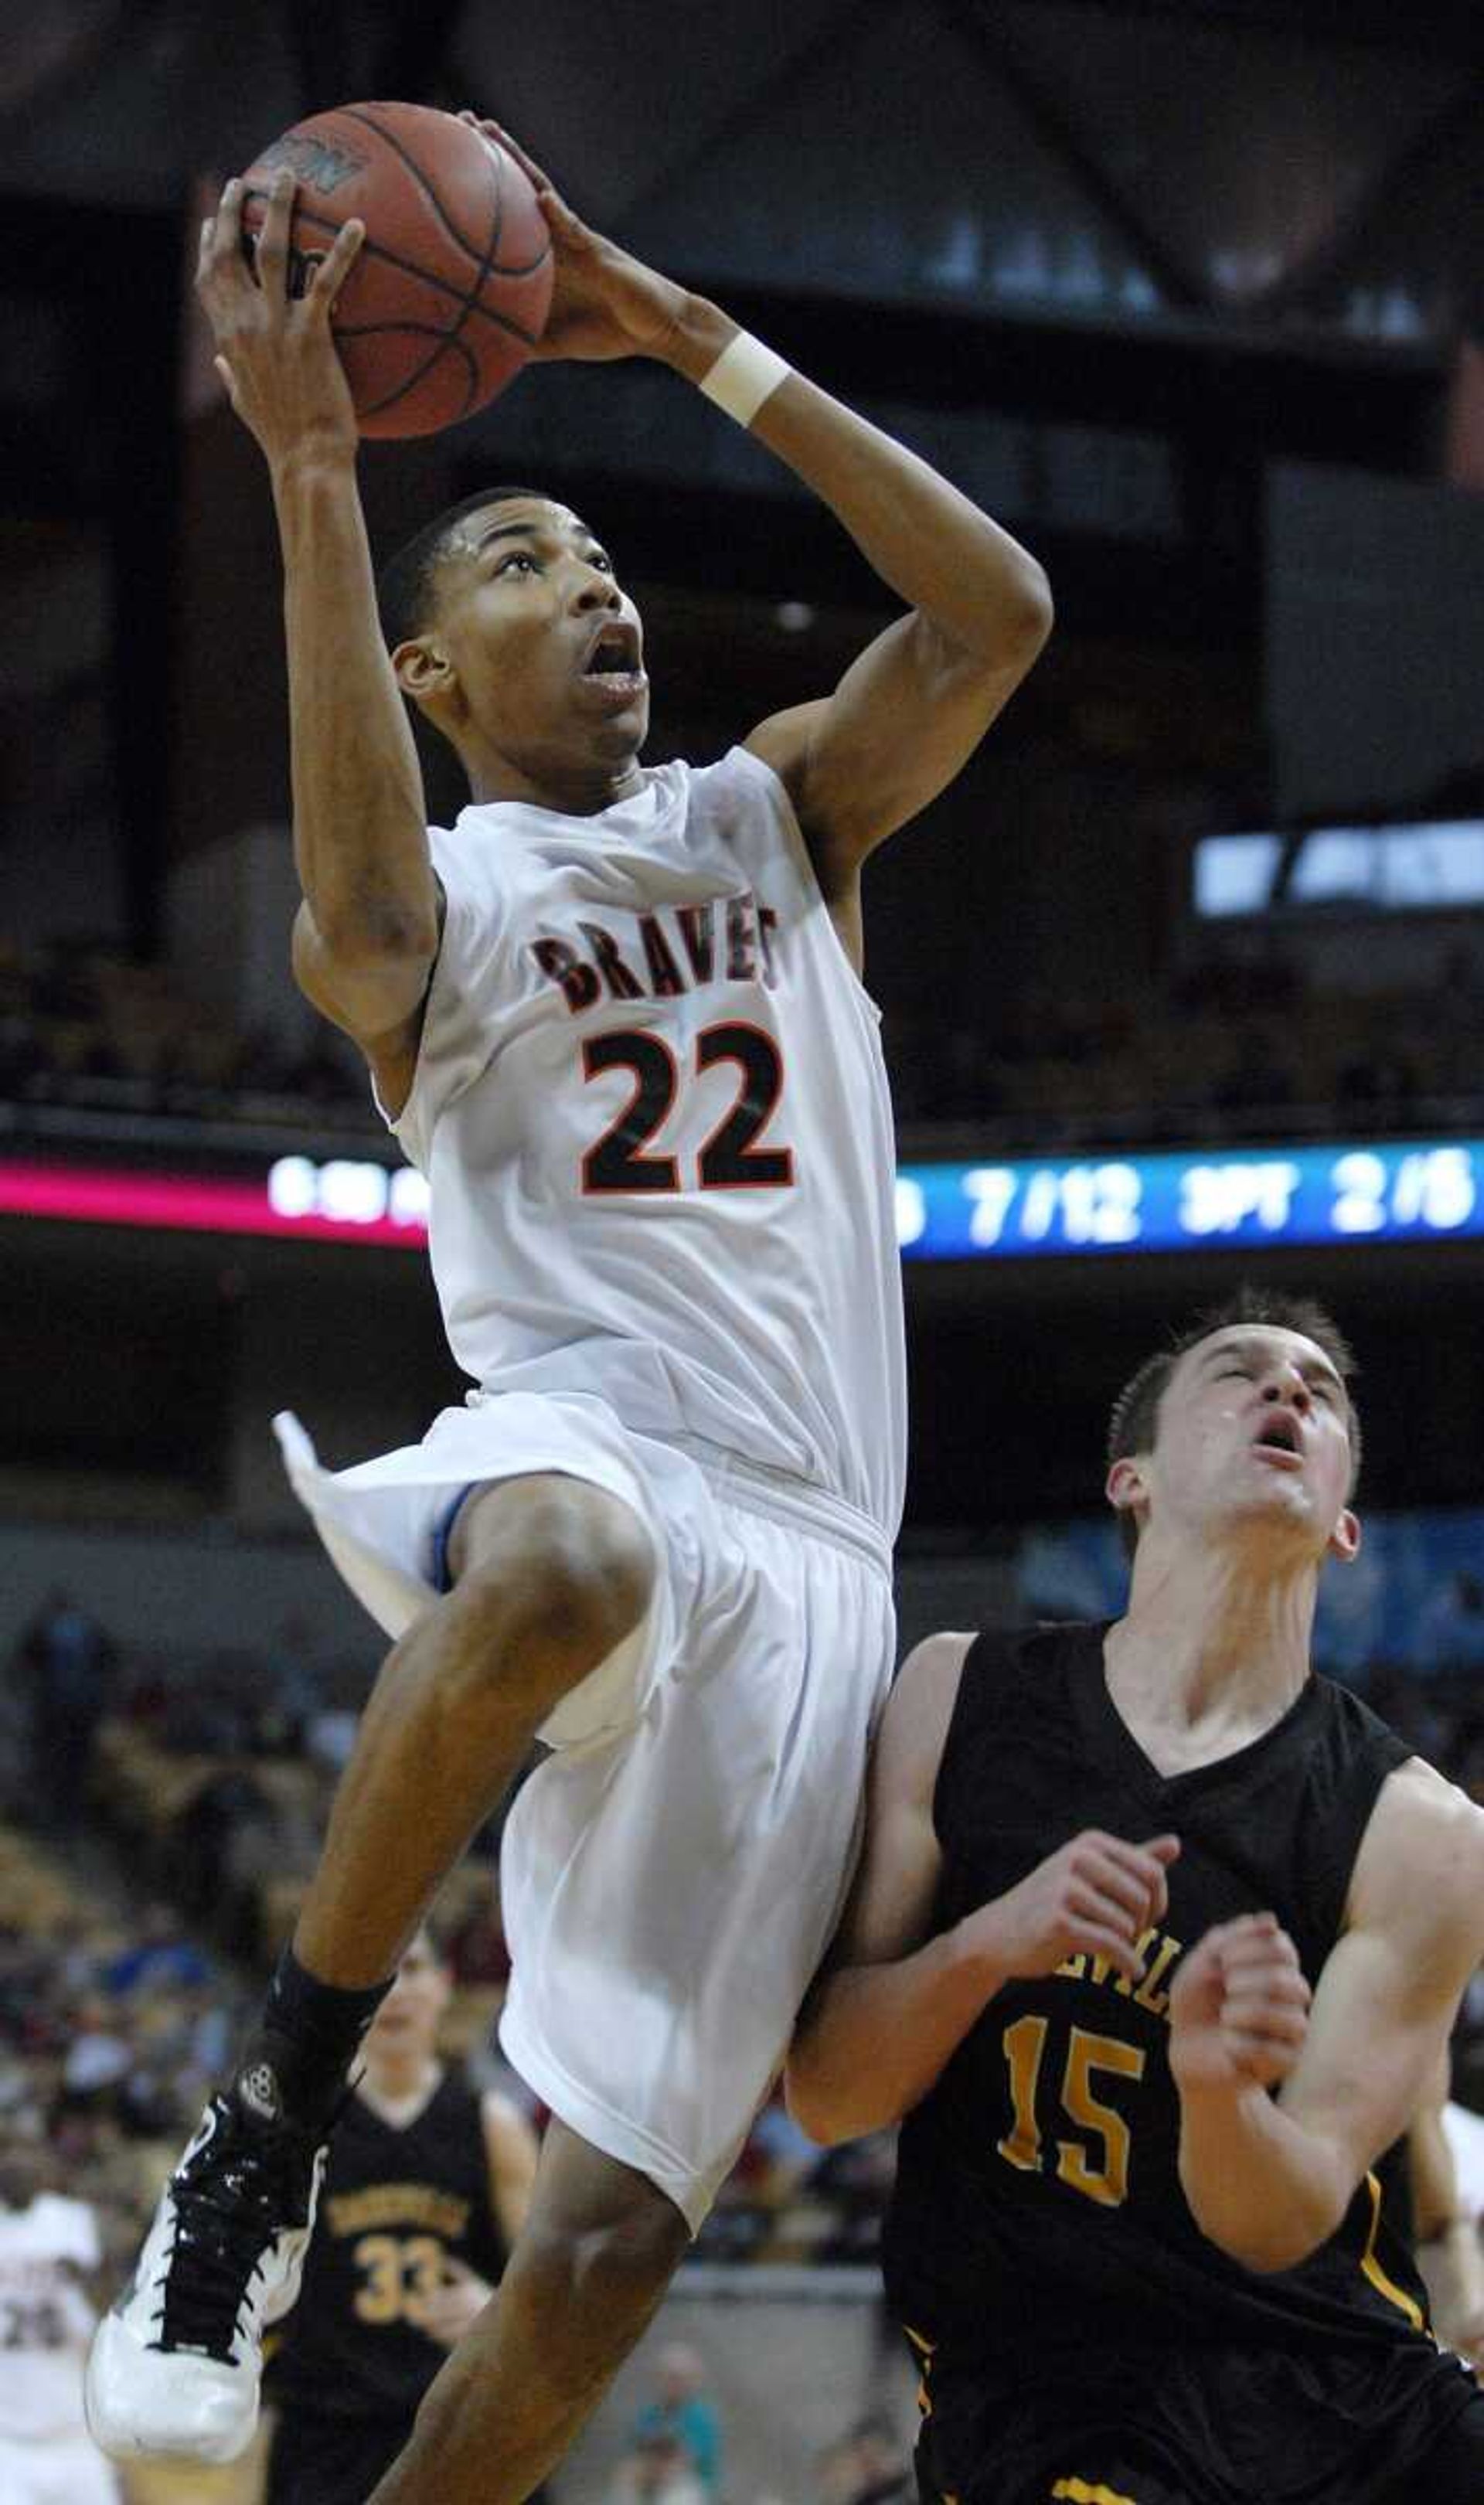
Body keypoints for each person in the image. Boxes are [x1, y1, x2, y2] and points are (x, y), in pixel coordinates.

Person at [87, 107, 1051, 2505]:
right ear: (430, 667)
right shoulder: (441, 904)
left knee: (608, 2251)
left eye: (605, 554)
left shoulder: (780, 811)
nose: (597, 585)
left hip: (820, 1549)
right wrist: (318, 473)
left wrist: (692, 337)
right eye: (529, 558)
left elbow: (1002, 616)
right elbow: (353, 900)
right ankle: (268, 2129)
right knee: (562, 1558)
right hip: (595, 1430)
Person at [788, 1288, 1484, 2503]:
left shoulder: (1424, 1834)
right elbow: (830, 2096)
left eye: (1318, 1391)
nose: (1289, 1391)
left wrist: (1217, 2087)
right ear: (1133, 1479)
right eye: (1238, 1374)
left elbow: (1286, 2215)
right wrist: (988, 1946)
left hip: (1343, 2395)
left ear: (1345, 1525)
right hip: (1057, 2400)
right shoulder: (960, 1697)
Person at [262, 1926, 538, 2505]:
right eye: (380, 1976)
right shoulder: (298, 2128)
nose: (397, 1991)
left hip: (460, 2432)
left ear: (444, 1986)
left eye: (413, 1970)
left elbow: (554, 2295)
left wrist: (499, 2314)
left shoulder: (491, 2125)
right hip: (325, 2435)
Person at [0, 2146, 119, 2505]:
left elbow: (108, 2299)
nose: (18, 2174)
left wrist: (77, 2278)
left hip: (75, 2435)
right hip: (9, 2441)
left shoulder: (70, 2221)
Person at [628, 2342, 721, 2496]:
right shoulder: (649, 2416)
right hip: (649, 2479)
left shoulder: (702, 2419)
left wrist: (660, 2473)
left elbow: (689, 2459)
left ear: (693, 2381)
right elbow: (636, 2453)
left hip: (690, 2484)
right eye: (668, 2378)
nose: (673, 2384)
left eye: (679, 2379)